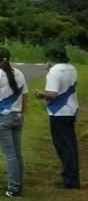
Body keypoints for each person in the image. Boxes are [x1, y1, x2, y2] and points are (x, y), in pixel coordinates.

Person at [35, 43, 80, 190]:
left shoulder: (54, 72)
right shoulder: (72, 68)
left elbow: (53, 94)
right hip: (71, 108)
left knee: (63, 146)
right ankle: (71, 177)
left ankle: (70, 180)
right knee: (70, 144)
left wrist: (42, 95)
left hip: (59, 111)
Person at [0, 47, 28, 198]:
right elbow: (25, 95)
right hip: (16, 115)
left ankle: (14, 186)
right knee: (17, 152)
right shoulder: (19, 73)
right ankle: (18, 182)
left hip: (1, 117)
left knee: (9, 154)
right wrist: (23, 112)